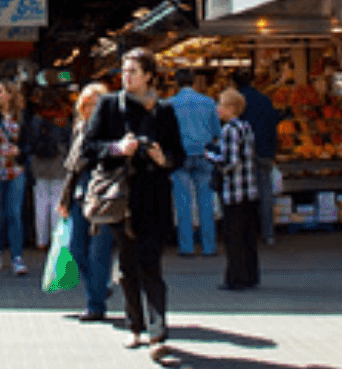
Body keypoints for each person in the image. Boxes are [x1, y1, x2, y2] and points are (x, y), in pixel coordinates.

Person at [82, 48, 185, 352]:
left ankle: (158, 330)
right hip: (121, 198)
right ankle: (135, 326)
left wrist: (163, 157)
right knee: (128, 267)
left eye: (133, 72)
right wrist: (117, 148)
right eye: (124, 71)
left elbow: (178, 153)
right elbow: (88, 147)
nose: (126, 77)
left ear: (149, 76)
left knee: (151, 263)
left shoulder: (163, 110)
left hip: (153, 194)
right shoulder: (110, 105)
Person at [57, 82, 116, 323]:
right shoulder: (80, 128)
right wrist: (65, 198)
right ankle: (99, 286)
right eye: (87, 104)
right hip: (81, 194)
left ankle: (95, 304)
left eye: (96, 103)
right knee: (76, 248)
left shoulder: (113, 129)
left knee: (98, 251)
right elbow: (73, 168)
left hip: (104, 195)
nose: (91, 108)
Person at [206, 88, 260, 290]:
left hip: (234, 191)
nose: (218, 109)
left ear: (229, 109)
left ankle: (235, 278)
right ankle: (251, 275)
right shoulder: (246, 126)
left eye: (220, 105)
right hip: (249, 190)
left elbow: (229, 161)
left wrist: (211, 156)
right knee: (248, 236)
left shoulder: (229, 130)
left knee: (234, 237)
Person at [168, 69, 219, 257]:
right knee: (206, 201)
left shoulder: (169, 104)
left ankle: (186, 246)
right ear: (195, 82)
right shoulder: (209, 102)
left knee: (183, 202)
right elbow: (216, 132)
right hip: (204, 154)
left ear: (176, 83)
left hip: (180, 156)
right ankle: (209, 246)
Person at [233, 68, 279, 246]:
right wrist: (272, 150)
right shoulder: (265, 100)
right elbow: (273, 123)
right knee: (265, 191)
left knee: (244, 192)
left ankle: (247, 233)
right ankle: (268, 234)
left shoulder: (236, 102)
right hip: (265, 151)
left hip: (243, 153)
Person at [0, 80, 28, 275]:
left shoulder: (22, 117)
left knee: (14, 213)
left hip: (16, 171)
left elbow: (30, 144)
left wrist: (20, 151)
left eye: (1, 91)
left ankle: (17, 256)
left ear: (10, 95)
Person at [27, 89, 70, 253]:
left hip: (39, 163)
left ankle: (41, 240)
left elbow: (31, 140)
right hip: (58, 162)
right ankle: (55, 239)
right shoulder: (62, 118)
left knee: (40, 201)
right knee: (56, 201)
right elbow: (67, 139)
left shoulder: (36, 119)